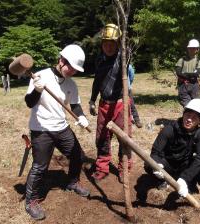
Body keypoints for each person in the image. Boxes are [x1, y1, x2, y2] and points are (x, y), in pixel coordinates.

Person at [24, 44, 90, 220]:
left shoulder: (71, 84)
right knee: (40, 167)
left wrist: (81, 117)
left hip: (62, 127)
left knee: (78, 156)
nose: (72, 72)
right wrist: (37, 90)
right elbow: (29, 103)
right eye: (71, 67)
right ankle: (31, 201)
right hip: (41, 129)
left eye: (76, 69)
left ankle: (73, 182)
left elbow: (75, 105)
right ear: (61, 60)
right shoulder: (40, 76)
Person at [144, 99, 200, 196]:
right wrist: (157, 166)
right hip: (167, 165)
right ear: (183, 114)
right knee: (149, 164)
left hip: (185, 166)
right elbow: (155, 152)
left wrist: (184, 178)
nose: (189, 119)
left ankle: (190, 183)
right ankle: (162, 180)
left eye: (194, 117)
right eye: (188, 115)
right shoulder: (169, 129)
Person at [89, 23, 132, 183]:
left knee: (125, 138)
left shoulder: (123, 58)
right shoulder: (99, 59)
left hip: (120, 103)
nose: (108, 46)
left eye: (112, 43)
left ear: (117, 43)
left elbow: (126, 49)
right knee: (102, 137)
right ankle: (102, 167)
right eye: (105, 43)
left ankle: (124, 168)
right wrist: (92, 100)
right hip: (104, 104)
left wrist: (122, 36)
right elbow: (97, 81)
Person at [175, 39, 200, 107]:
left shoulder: (199, 61)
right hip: (183, 86)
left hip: (194, 86)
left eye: (194, 48)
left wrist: (184, 74)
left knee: (196, 104)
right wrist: (191, 75)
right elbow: (178, 73)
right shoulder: (181, 60)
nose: (192, 49)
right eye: (190, 48)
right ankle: (187, 117)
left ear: (197, 49)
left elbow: (197, 74)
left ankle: (195, 117)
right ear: (188, 49)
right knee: (186, 105)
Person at [128, 64, 143, 128]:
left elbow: (132, 75)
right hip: (116, 91)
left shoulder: (128, 66)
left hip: (127, 89)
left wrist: (129, 84)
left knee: (131, 105)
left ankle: (137, 120)